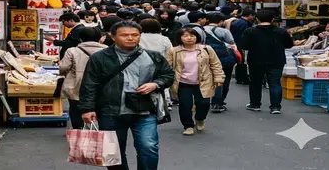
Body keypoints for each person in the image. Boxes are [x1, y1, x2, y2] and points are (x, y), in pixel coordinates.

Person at [77, 21, 176, 170]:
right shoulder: (100, 58)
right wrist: (87, 109)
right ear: (113, 36)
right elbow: (89, 84)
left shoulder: (153, 56)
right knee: (113, 152)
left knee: (148, 147)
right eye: (124, 35)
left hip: (144, 109)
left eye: (135, 35)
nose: (130, 38)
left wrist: (155, 84)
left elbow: (168, 75)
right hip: (110, 111)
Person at [167, 27, 224, 136]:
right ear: (180, 38)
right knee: (185, 105)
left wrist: (219, 78)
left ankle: (200, 119)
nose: (189, 38)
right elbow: (167, 67)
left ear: (197, 37)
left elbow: (215, 64)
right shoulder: (174, 51)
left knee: (204, 104)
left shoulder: (206, 49)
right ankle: (188, 126)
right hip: (183, 83)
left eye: (192, 35)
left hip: (203, 82)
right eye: (185, 36)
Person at [238, 10, 294, 114]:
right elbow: (289, 45)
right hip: (276, 60)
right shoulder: (281, 31)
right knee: (275, 83)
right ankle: (275, 107)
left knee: (255, 82)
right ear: (273, 20)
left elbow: (244, 46)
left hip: (256, 60)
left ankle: (255, 104)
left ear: (257, 19)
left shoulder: (250, 31)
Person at [58, 26, 107, 129]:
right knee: (101, 109)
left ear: (80, 39)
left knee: (75, 110)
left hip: (76, 85)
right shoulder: (107, 50)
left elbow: (63, 68)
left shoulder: (72, 51)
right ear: (99, 38)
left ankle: (78, 130)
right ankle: (99, 131)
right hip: (101, 86)